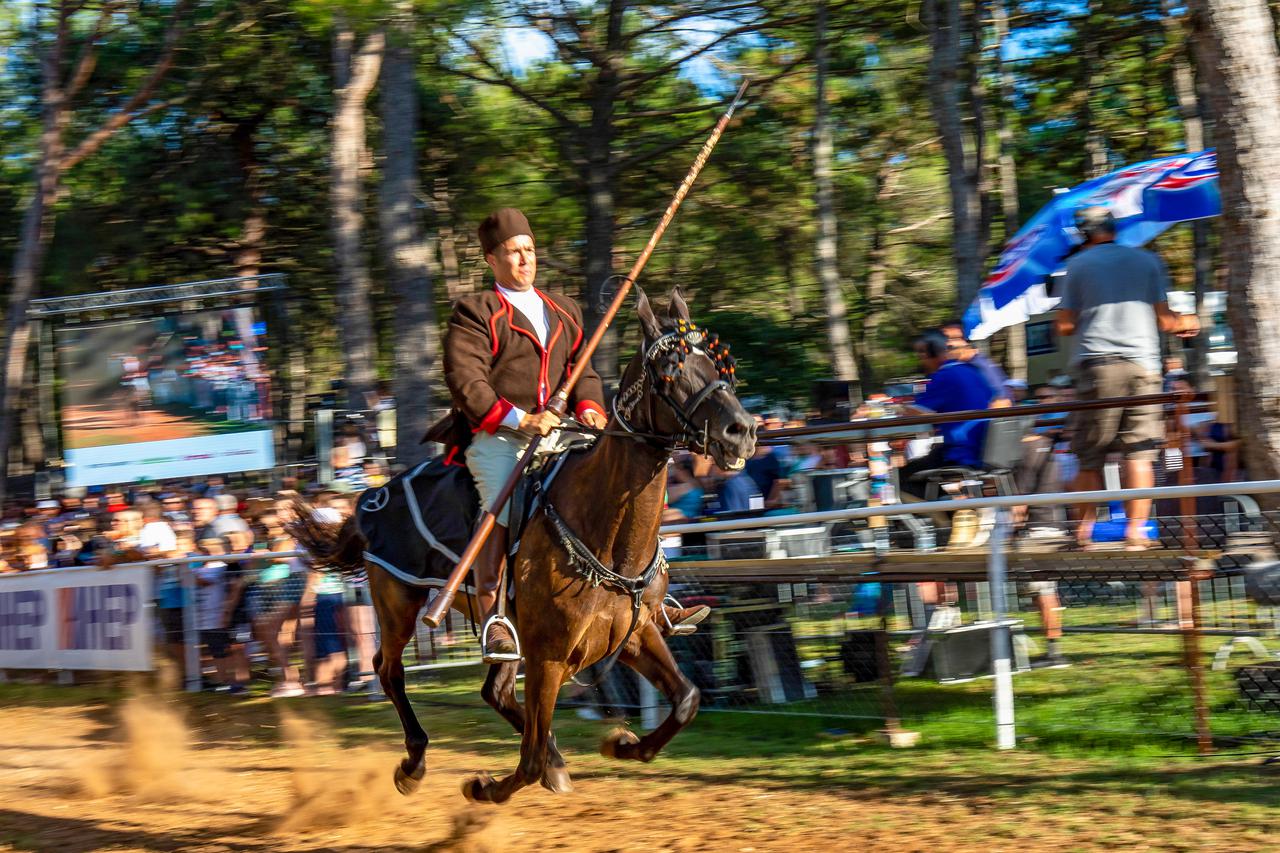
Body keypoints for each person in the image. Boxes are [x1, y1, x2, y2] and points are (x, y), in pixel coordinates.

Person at [440, 207, 701, 660]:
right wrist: (520, 419)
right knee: (504, 502)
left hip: (562, 430)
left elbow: (584, 372)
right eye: (513, 252)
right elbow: (468, 382)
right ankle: (494, 615)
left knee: (619, 487)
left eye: (530, 250)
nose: (525, 260)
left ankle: (654, 601)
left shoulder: (563, 309)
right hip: (500, 435)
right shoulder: (475, 311)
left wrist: (591, 409)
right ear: (490, 259)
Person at [1053, 206, 1199, 549]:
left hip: (1097, 367)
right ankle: (1136, 532)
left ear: (1083, 235)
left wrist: (1091, 315)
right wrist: (1187, 321)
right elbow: (1166, 322)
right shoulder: (1147, 261)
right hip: (1143, 367)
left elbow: (1063, 325)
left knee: (1090, 455)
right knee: (1140, 453)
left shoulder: (1076, 266)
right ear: (1114, 229)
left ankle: (1082, 533)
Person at [940, 320, 1012, 406]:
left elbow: (1002, 401)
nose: (949, 344)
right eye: (945, 340)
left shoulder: (979, 365)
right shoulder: (952, 368)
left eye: (955, 338)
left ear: (966, 342)